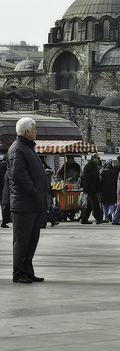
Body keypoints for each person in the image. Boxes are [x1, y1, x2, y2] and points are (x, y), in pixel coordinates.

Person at [6, 117, 48, 283]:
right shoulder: (18, 149)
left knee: (31, 240)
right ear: (27, 131)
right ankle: (19, 273)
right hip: (24, 204)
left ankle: (27, 270)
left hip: (32, 203)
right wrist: (35, 191)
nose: (36, 131)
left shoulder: (27, 148)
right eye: (35, 128)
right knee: (22, 241)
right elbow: (18, 176)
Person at [80, 153, 104, 224]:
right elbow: (86, 178)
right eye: (97, 158)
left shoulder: (94, 166)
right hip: (90, 189)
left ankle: (84, 219)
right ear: (93, 158)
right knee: (95, 204)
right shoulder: (89, 166)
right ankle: (99, 219)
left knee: (89, 206)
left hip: (93, 188)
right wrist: (86, 189)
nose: (98, 160)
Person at [0, 155, 11, 228]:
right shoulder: (6, 166)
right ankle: (4, 221)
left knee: (4, 204)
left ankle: (4, 221)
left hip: (2, 187)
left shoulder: (1, 165)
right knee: (5, 205)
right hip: (4, 187)